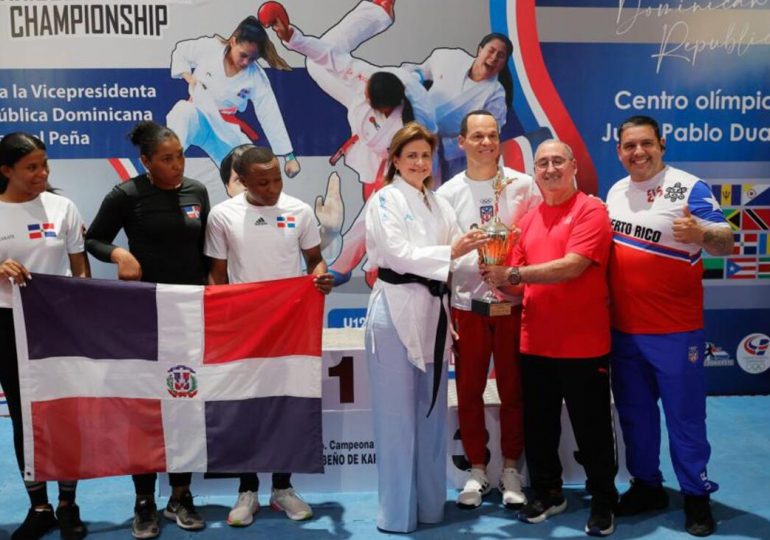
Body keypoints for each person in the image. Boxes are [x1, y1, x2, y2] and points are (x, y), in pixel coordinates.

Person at [483, 140, 617, 537]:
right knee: (540, 427)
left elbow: (573, 267)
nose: (550, 168)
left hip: (583, 343)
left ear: (574, 165)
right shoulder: (527, 219)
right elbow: (519, 286)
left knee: (592, 427)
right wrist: (495, 275)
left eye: (558, 160)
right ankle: (548, 492)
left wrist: (514, 275)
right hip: (535, 342)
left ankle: (604, 499)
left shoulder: (591, 210)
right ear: (535, 172)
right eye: (542, 163)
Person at [607, 115, 734, 537]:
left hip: (676, 330)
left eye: (646, 143)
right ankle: (647, 486)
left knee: (685, 418)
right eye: (629, 146)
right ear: (619, 150)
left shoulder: (688, 186)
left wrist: (699, 231)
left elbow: (726, 240)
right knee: (635, 416)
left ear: (662, 144)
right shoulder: (614, 192)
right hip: (625, 330)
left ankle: (696, 496)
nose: (638, 152)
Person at [85, 121, 209, 539]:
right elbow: (94, 240)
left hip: (189, 315)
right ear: (146, 161)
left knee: (186, 402)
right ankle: (143, 500)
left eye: (180, 157)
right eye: (166, 159)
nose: (176, 166)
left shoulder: (197, 192)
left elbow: (208, 254)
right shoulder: (127, 194)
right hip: (143, 316)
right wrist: (119, 252)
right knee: (144, 409)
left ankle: (181, 494)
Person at [364, 122, 488, 533]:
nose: (419, 163)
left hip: (435, 311)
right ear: (395, 160)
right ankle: (396, 516)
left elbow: (459, 257)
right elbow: (398, 255)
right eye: (411, 155)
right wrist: (452, 251)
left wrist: (494, 259)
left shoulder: (438, 203)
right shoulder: (384, 200)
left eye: (425, 156)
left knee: (431, 415)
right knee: (396, 418)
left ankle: (432, 506)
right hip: (395, 311)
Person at [262, 0, 436, 285]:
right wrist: (292, 37)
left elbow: (428, 151)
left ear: (387, 109)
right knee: (317, 64)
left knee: (379, 205)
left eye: (371, 102)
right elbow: (329, 55)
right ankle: (376, 12)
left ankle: (346, 266)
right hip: (368, 119)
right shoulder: (371, 80)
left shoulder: (418, 124)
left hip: (389, 153)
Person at [205, 146, 333, 527]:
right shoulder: (222, 215)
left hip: (291, 324)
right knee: (246, 406)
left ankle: (283, 488)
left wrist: (319, 277)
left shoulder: (300, 211)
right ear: (241, 180)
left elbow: (314, 261)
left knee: (287, 403)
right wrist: (223, 318)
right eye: (263, 182)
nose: (274, 187)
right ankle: (247, 491)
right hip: (243, 326)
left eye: (277, 178)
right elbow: (216, 274)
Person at [436, 110, 541, 510]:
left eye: (492, 135)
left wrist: (517, 280)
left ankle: (511, 467)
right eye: (476, 136)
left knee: (515, 391)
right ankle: (477, 469)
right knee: (468, 391)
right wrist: (447, 313)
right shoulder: (446, 193)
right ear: (460, 142)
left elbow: (535, 242)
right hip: (467, 305)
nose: (485, 143)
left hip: (513, 306)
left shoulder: (523, 185)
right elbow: (442, 255)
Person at [0, 132, 90, 540]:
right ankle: (40, 506)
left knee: (66, 414)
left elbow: (81, 270)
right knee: (25, 417)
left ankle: (69, 504)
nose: (42, 173)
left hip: (61, 324)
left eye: (44, 164)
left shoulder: (63, 207)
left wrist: (80, 313)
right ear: (6, 171)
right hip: (7, 326)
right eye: (31, 167)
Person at [167, 15, 301, 178]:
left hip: (224, 126)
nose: (246, 62)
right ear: (233, 41)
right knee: (182, 111)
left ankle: (246, 201)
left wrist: (289, 156)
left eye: (252, 59)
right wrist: (188, 77)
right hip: (197, 116)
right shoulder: (210, 47)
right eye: (243, 55)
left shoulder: (256, 77)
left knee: (251, 169)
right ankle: (163, 175)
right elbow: (181, 51)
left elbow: (269, 114)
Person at [402, 32, 514, 179]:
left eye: (500, 56)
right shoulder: (451, 58)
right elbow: (421, 71)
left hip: (449, 155)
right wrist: (414, 81)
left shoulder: (496, 96)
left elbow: (486, 137)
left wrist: (443, 145)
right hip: (416, 131)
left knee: (441, 195)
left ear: (504, 63)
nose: (493, 58)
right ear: (480, 50)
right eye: (491, 51)